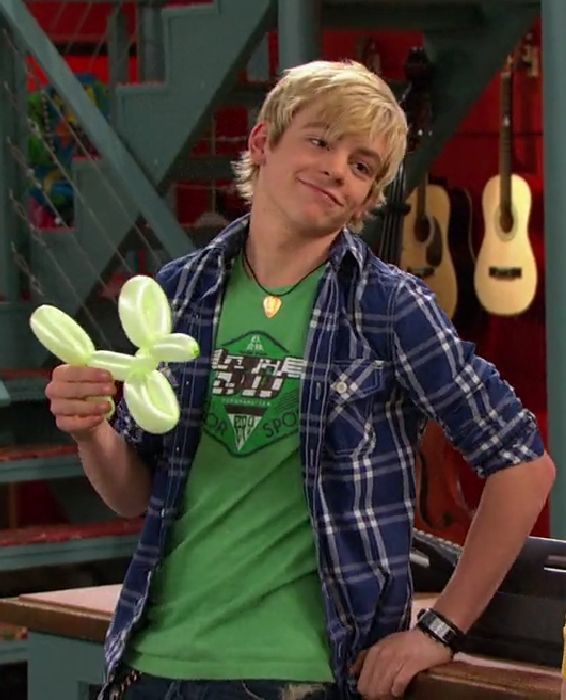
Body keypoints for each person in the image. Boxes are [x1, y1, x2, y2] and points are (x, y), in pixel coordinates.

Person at [45, 60, 555, 700]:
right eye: (320, 141)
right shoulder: (179, 292)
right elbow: (133, 494)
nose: (339, 168)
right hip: (154, 662)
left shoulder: (387, 306)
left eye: (363, 165)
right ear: (263, 144)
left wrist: (441, 629)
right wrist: (91, 432)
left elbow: (522, 466)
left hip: (308, 676)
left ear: (368, 197)